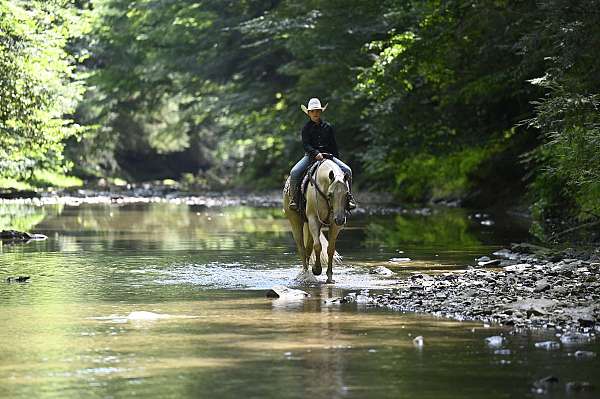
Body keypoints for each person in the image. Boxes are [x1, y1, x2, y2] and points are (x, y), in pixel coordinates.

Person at [288, 97, 357, 211]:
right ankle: (294, 200)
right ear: (309, 113)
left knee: (347, 170)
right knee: (294, 172)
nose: (315, 113)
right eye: (312, 111)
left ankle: (348, 198)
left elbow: (333, 145)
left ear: (320, 112)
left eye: (317, 111)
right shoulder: (306, 128)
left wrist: (336, 162)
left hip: (329, 156)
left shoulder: (328, 127)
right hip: (311, 157)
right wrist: (315, 153)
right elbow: (306, 145)